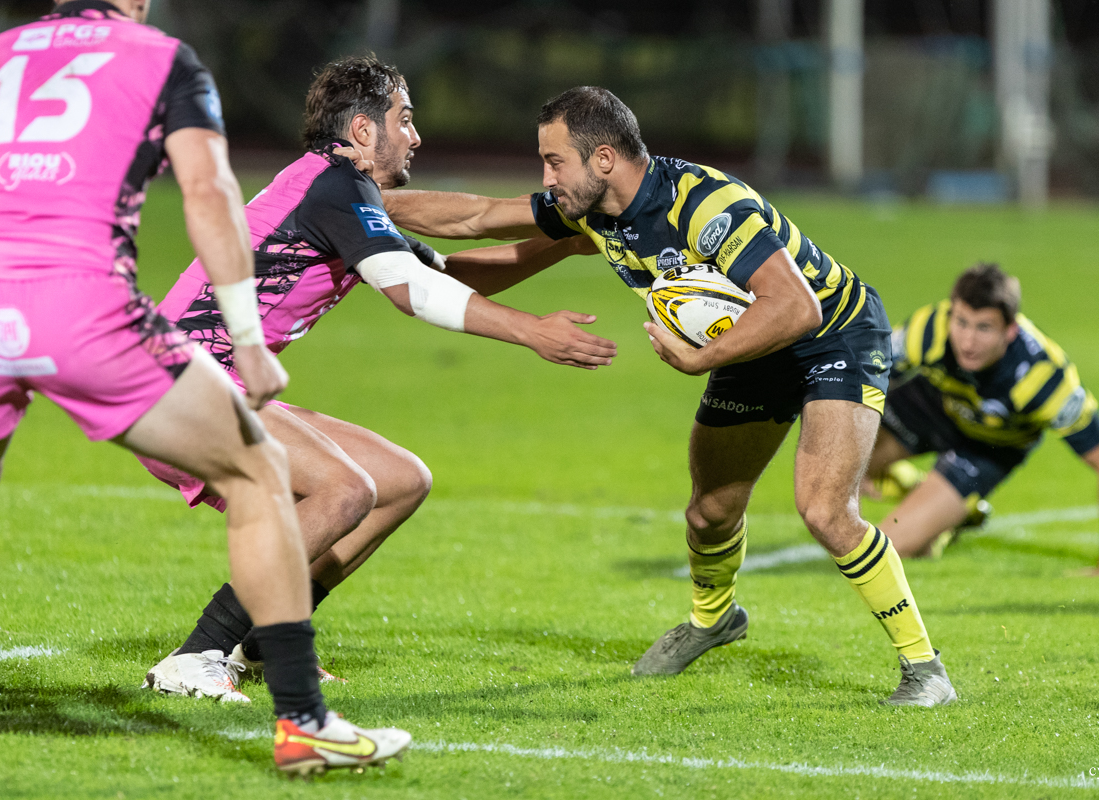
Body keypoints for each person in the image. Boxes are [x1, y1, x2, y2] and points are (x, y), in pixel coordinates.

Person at [378, 86, 957, 706]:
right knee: (709, 512)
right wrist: (374, 214)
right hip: (753, 345)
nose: (545, 177)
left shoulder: (705, 207)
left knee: (823, 509)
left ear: (603, 158)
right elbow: (478, 218)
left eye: (554, 162)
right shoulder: (593, 213)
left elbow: (795, 304)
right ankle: (713, 620)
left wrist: (702, 359)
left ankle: (925, 670)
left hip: (831, 332)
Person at [0, 0, 409, 775]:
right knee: (262, 474)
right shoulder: (160, 57)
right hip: (84, 309)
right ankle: (299, 720)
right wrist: (247, 342)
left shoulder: (1, 51)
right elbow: (210, 194)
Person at [138, 57, 616, 699]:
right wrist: (533, 331)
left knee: (397, 481)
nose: (416, 136)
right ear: (363, 130)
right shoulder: (334, 187)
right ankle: (196, 654)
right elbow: (412, 292)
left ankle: (261, 644)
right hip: (177, 385)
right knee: (342, 489)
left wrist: (562, 239)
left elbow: (450, 268)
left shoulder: (338, 191)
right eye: (405, 119)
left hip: (207, 382)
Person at [863, 263, 1099, 573]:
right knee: (833, 469)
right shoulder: (929, 329)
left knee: (888, 550)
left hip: (988, 447)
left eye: (984, 328)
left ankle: (954, 513)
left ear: (1010, 330)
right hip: (934, 406)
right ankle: (915, 489)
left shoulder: (1041, 378)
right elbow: (862, 379)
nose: (967, 341)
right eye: (961, 322)